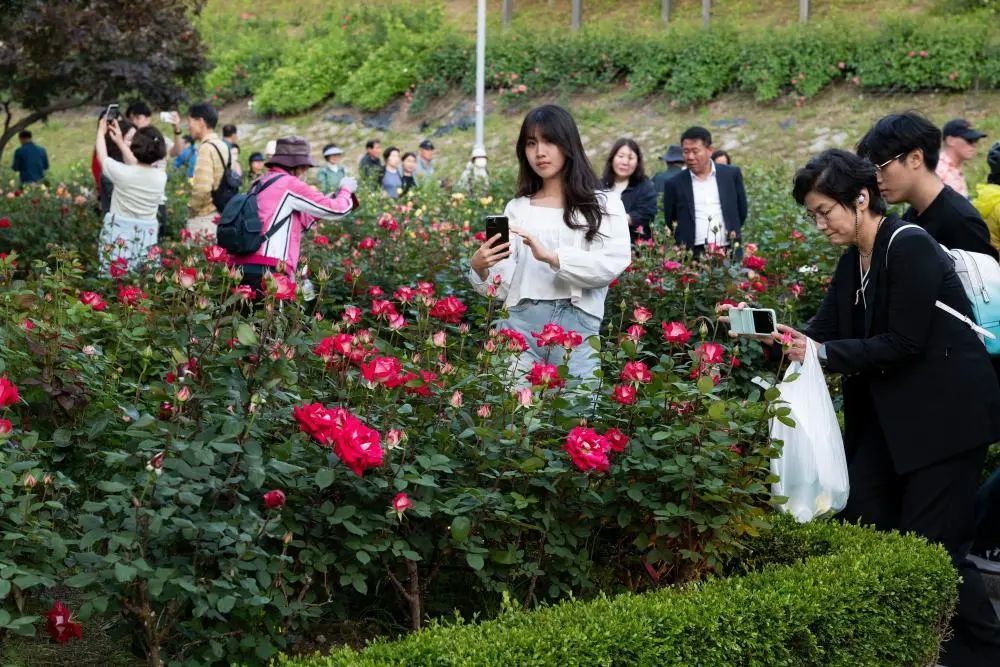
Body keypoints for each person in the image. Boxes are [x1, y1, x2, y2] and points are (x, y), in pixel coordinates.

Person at [728, 148, 1000, 667]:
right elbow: (824, 330)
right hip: (898, 420)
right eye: (812, 214)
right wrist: (774, 336)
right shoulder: (853, 259)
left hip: (948, 419)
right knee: (866, 521)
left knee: (934, 550)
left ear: (860, 198)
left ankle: (982, 653)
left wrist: (821, 352)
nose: (819, 224)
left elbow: (904, 341)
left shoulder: (910, 245)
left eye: (824, 211)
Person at [468, 104, 630, 390]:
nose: (539, 152)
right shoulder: (517, 208)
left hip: (577, 326)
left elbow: (612, 263)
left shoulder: (604, 204)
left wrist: (552, 257)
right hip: (519, 325)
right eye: (531, 143)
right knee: (512, 423)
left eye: (549, 141)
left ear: (568, 144)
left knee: (576, 420)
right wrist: (480, 267)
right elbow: (502, 286)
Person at [227, 137, 358, 298]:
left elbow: (291, 220)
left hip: (240, 266)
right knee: (269, 321)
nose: (305, 171)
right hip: (269, 269)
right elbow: (337, 210)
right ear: (299, 165)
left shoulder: (260, 182)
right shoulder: (289, 184)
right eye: (305, 167)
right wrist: (346, 190)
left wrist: (329, 198)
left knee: (246, 320)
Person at [857, 111, 998, 261]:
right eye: (874, 170)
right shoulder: (913, 215)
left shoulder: (961, 222)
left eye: (882, 167)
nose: (877, 178)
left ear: (915, 158)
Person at [94, 115, 167, 271]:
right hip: (146, 238)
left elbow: (102, 157)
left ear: (135, 146)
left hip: (119, 238)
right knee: (142, 284)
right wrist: (120, 141)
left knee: (114, 281)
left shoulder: (123, 174)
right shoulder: (161, 176)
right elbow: (138, 165)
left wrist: (101, 132)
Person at [662, 126, 748, 256]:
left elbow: (741, 210)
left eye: (695, 151)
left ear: (709, 150)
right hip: (692, 253)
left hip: (729, 249)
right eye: (686, 151)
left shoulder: (730, 175)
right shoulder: (674, 184)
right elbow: (671, 219)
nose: (690, 157)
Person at [185, 103, 230, 240]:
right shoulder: (221, 144)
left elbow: (202, 188)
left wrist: (191, 208)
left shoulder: (206, 148)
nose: (189, 127)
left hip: (204, 218)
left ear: (200, 121)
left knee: (197, 261)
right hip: (219, 214)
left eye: (190, 121)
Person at [600, 138, 657, 243]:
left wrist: (614, 219)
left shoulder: (645, 187)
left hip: (634, 249)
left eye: (631, 158)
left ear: (637, 162)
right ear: (612, 158)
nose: (625, 162)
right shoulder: (600, 186)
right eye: (621, 156)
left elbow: (646, 215)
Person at [936, 118, 987, 198]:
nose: (974, 145)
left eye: (975, 140)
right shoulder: (939, 170)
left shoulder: (953, 167)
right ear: (950, 141)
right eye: (969, 140)